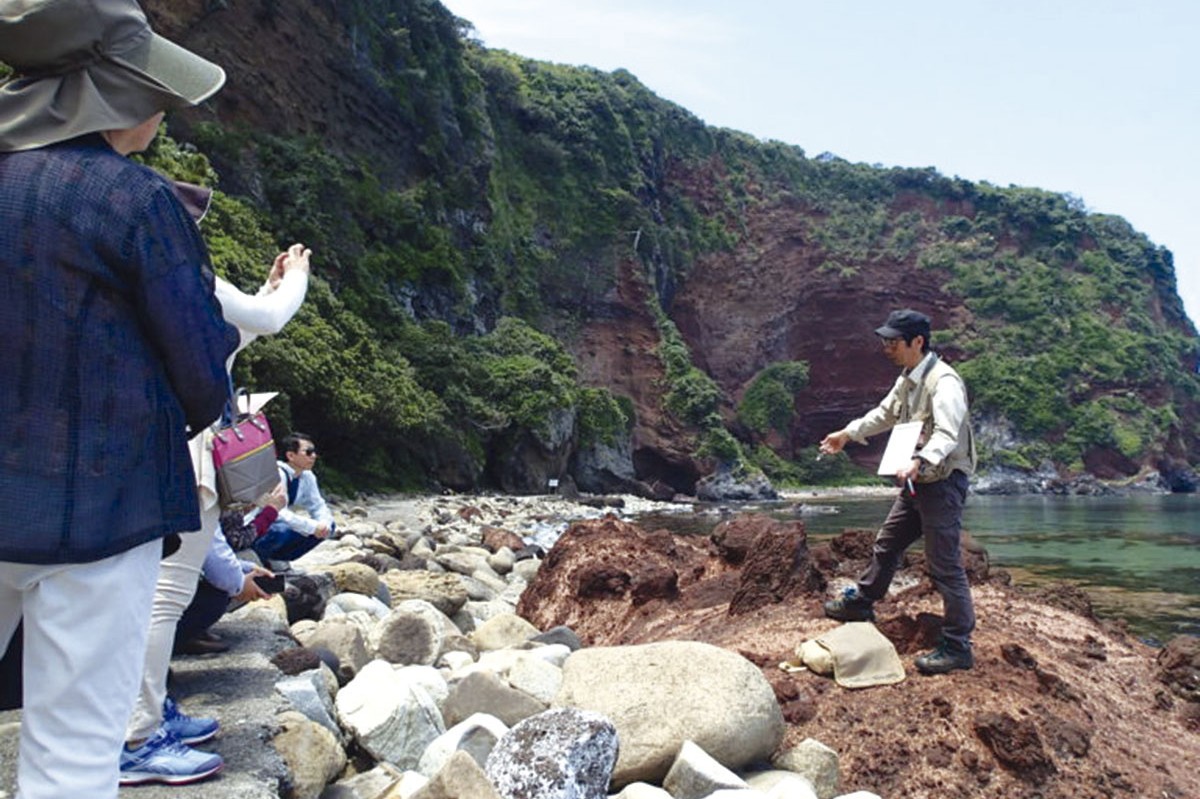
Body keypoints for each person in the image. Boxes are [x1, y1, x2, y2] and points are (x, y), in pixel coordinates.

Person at [0, 1, 240, 796]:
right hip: (101, 506)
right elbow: (202, 366)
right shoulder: (136, 200)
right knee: (71, 752)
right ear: (109, 94)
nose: (163, 109)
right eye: (152, 92)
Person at [122, 202, 311, 781]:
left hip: (155, 444)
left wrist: (265, 287)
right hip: (187, 451)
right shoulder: (173, 267)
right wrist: (295, 280)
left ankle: (146, 712)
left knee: (149, 590)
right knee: (165, 592)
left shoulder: (134, 269)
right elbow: (270, 318)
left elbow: (225, 337)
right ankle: (135, 736)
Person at [819, 309, 978, 675]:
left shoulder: (945, 382)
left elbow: (946, 434)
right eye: (885, 341)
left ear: (917, 342)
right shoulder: (907, 378)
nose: (887, 347)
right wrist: (848, 433)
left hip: (941, 482)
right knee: (887, 543)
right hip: (918, 480)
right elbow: (885, 413)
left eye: (893, 342)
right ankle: (862, 601)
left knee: (945, 568)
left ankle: (957, 646)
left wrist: (918, 461)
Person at [172, 490, 285, 656]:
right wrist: (270, 512)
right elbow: (235, 541)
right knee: (219, 592)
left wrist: (244, 569)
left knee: (240, 570)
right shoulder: (207, 496)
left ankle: (193, 630)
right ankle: (179, 637)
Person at [251, 432, 336, 565]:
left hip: (274, 522)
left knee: (328, 526)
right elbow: (278, 513)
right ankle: (257, 558)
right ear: (290, 455)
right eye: (308, 452)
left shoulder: (307, 476)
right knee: (282, 529)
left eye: (314, 452)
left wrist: (324, 524)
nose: (313, 456)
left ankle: (276, 559)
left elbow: (317, 505)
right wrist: (312, 526)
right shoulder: (277, 473)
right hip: (257, 524)